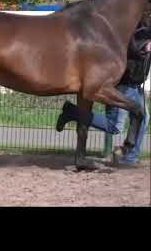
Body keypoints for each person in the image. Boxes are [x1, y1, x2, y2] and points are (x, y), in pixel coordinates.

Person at [55, 19, 151, 165]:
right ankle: (72, 112)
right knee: (115, 126)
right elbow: (130, 49)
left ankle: (130, 157)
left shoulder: (145, 27)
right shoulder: (131, 27)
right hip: (124, 84)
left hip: (134, 83)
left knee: (144, 118)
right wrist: (145, 47)